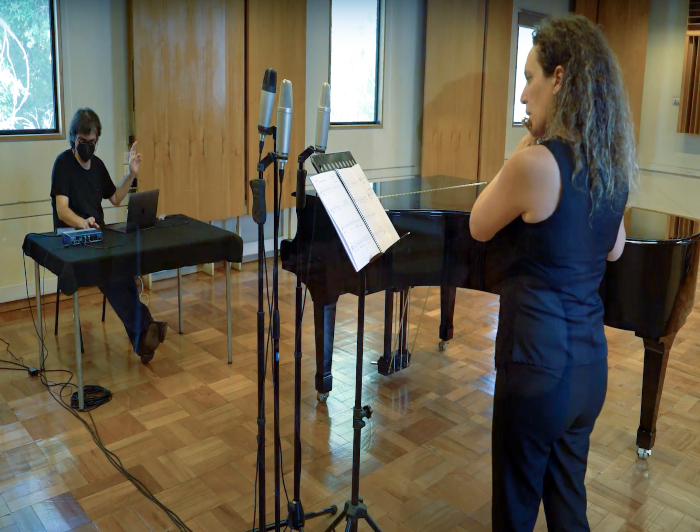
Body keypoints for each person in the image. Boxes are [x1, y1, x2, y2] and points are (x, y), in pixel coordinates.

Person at [469, 15, 635, 532]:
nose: (523, 96)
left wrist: (523, 150)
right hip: (588, 370)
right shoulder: (609, 167)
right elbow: (615, 250)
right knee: (568, 508)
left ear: (559, 78)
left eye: (529, 78)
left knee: (515, 512)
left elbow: (478, 224)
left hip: (536, 371)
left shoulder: (535, 165)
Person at [51, 108, 167, 364]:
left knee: (121, 269)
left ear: (97, 141)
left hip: (99, 237)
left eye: (92, 142)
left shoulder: (98, 166)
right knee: (110, 274)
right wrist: (83, 223)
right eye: (82, 141)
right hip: (72, 239)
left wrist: (131, 173)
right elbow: (62, 210)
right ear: (73, 138)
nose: (87, 146)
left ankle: (143, 338)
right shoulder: (63, 164)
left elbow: (115, 197)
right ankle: (145, 331)